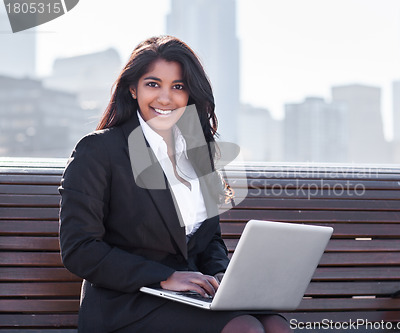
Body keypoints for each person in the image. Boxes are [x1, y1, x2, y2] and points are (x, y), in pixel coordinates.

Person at [58, 35, 292, 333]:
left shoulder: (198, 151)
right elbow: (80, 248)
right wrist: (164, 276)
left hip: (189, 297)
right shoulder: (99, 151)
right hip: (127, 302)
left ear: (190, 93)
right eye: (153, 84)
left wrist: (221, 278)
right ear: (133, 88)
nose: (165, 98)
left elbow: (210, 241)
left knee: (274, 325)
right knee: (244, 328)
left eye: (178, 87)